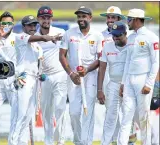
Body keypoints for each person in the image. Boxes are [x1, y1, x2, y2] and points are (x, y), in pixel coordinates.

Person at [8, 15, 62, 145]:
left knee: (28, 116)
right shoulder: (20, 37)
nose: (32, 28)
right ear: (23, 27)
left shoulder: (37, 47)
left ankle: (21, 142)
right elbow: (40, 37)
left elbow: (39, 65)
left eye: (34, 25)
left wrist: (41, 75)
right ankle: (13, 142)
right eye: (29, 25)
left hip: (35, 80)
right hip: (23, 78)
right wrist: (49, 37)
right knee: (20, 115)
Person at [59, 6, 104, 145]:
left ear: (90, 18)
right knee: (73, 113)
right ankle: (78, 141)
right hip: (74, 78)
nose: (81, 19)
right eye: (79, 17)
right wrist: (71, 73)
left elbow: (101, 59)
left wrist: (87, 69)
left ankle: (86, 142)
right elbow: (62, 56)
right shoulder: (69, 34)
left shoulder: (97, 36)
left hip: (90, 77)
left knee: (88, 113)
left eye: (84, 17)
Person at [118, 9, 159, 145]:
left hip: (143, 80)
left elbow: (156, 62)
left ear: (136, 19)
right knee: (126, 116)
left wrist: (149, 83)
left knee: (143, 117)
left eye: (129, 19)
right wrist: (123, 83)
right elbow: (128, 62)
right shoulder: (130, 37)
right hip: (129, 79)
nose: (127, 22)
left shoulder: (151, 37)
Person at [35, 6, 67, 145]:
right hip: (44, 78)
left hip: (60, 75)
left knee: (60, 109)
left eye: (48, 17)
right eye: (43, 18)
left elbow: (66, 53)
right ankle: (48, 142)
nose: (46, 20)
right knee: (47, 113)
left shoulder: (60, 32)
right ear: (38, 19)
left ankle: (60, 141)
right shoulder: (35, 37)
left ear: (51, 19)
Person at [99, 6, 127, 145]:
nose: (110, 20)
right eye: (108, 17)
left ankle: (125, 141)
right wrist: (100, 89)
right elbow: (101, 64)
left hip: (127, 81)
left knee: (126, 116)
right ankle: (110, 141)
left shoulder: (130, 39)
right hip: (110, 80)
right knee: (111, 114)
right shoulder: (100, 35)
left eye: (113, 17)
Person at [0, 11, 19, 143]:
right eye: (4, 23)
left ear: (13, 24)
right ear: (0, 24)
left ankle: (13, 142)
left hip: (13, 80)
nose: (7, 25)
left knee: (15, 114)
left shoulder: (18, 38)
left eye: (9, 23)